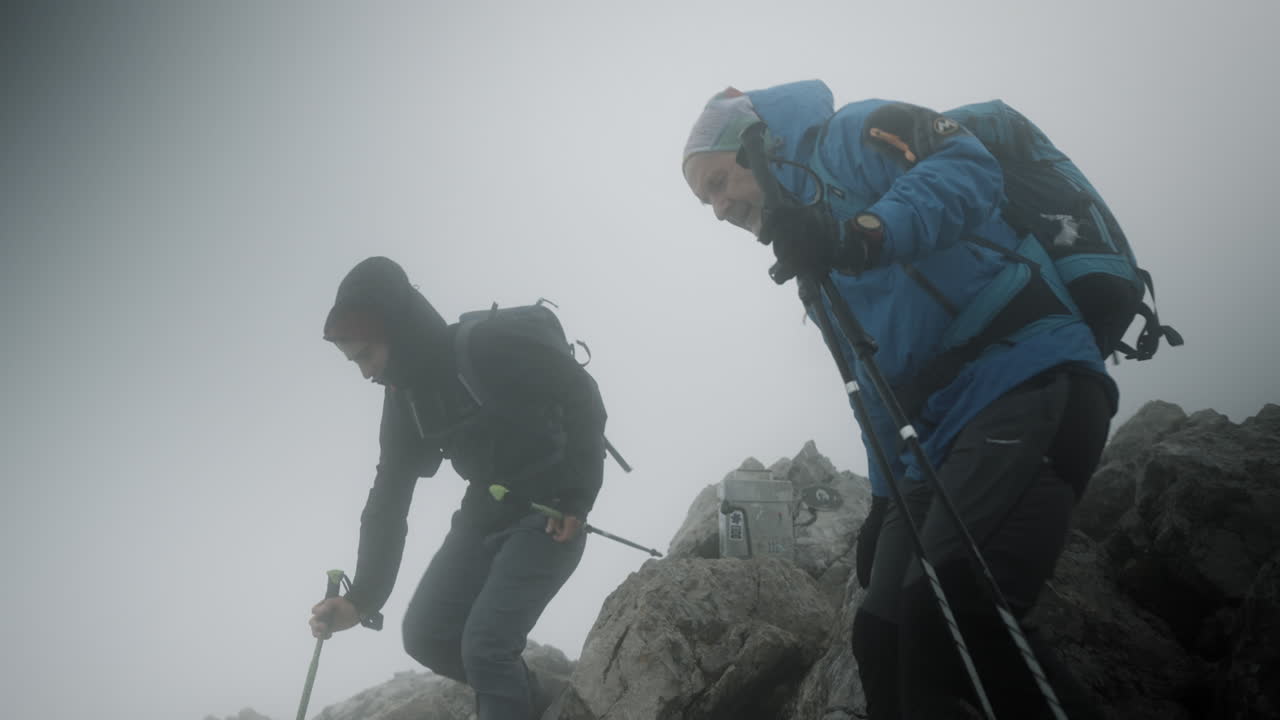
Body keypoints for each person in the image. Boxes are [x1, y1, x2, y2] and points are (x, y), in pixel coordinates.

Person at [682, 81, 1114, 719]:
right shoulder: (807, 253)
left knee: (948, 615)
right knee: (881, 638)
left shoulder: (853, 135)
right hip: (937, 443)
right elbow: (875, 388)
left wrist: (863, 233)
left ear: (756, 147)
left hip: (1028, 377)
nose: (717, 208)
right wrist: (885, 501)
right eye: (705, 200)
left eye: (718, 182)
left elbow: (967, 166)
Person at [307, 256, 608, 720]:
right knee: (426, 634)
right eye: (356, 361)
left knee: (485, 646)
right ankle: (539, 699)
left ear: (396, 330)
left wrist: (577, 497)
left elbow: (580, 392)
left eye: (366, 354)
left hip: (550, 510)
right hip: (484, 512)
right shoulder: (404, 398)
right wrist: (360, 598)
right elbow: (389, 496)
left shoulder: (483, 346)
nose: (365, 372)